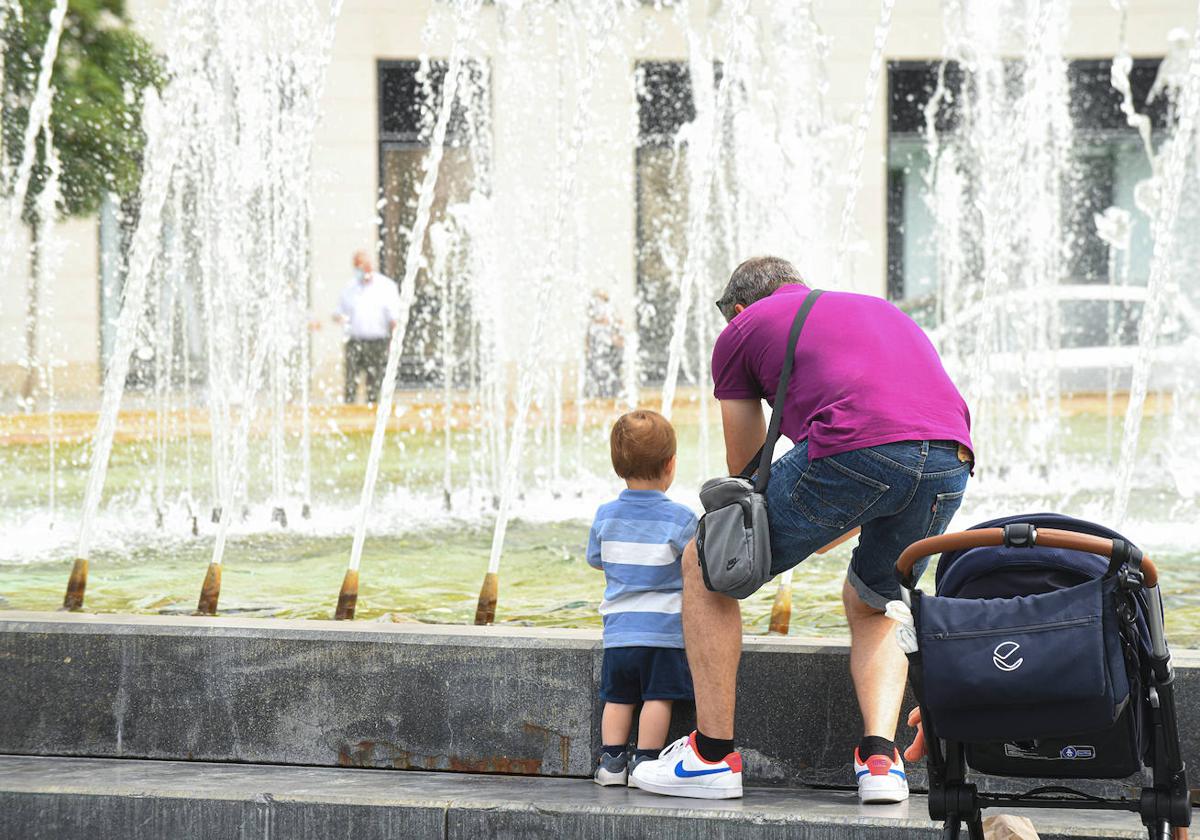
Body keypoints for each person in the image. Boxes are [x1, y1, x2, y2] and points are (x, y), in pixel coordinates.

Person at [631, 256, 973, 804]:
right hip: (951, 459)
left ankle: (710, 758)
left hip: (856, 445)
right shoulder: (872, 308)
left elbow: (743, 476)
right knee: (876, 597)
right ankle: (881, 763)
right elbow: (898, 438)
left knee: (705, 559)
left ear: (739, 309)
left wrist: (766, 543)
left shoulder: (742, 330)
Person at [587, 409, 698, 788]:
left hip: (618, 632)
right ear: (671, 465)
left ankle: (612, 762)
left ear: (618, 465)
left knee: (617, 698)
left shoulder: (605, 515)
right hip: (663, 631)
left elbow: (597, 560)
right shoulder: (682, 519)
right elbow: (694, 567)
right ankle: (646, 763)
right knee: (657, 698)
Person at [333, 251, 401, 403]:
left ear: (369, 266)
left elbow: (394, 318)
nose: (359, 270)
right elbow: (339, 312)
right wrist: (339, 318)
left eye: (361, 266)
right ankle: (350, 412)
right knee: (350, 381)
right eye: (356, 267)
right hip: (355, 341)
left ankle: (373, 412)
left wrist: (395, 341)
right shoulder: (349, 288)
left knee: (375, 382)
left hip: (378, 341)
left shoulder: (386, 286)